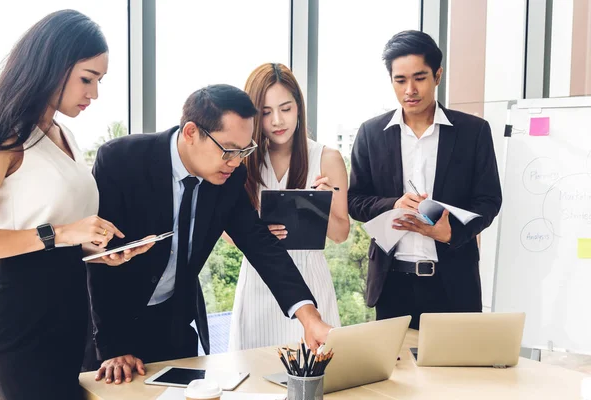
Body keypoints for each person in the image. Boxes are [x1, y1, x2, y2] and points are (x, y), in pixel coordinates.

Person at [89, 84, 332, 385]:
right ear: (191, 132)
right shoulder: (122, 161)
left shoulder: (230, 176)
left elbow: (259, 243)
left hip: (174, 331)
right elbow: (97, 261)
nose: (236, 161)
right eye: (229, 150)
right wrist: (113, 348)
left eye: (245, 151)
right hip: (109, 335)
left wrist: (309, 317)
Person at [0, 10, 153, 400]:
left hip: (71, 315)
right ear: (52, 65)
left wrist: (99, 250)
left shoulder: (64, 134)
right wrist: (63, 233)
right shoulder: (6, 134)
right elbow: (40, 235)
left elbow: (54, 237)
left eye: (99, 81)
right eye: (86, 78)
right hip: (22, 321)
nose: (93, 93)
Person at [347, 30, 502, 329]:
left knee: (454, 373)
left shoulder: (473, 132)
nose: (410, 90)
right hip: (392, 284)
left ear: (437, 75)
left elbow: (489, 200)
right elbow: (354, 200)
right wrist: (393, 204)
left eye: (419, 78)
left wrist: (450, 232)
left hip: (454, 285)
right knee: (396, 373)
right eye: (400, 80)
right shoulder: (371, 133)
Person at [227, 63, 348, 351]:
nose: (277, 120)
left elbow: (341, 233)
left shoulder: (327, 158)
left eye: (286, 108)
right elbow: (226, 226)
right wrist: (256, 233)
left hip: (311, 277)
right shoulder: (243, 159)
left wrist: (321, 207)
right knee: (254, 379)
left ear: (299, 107)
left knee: (319, 376)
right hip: (259, 278)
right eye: (266, 112)